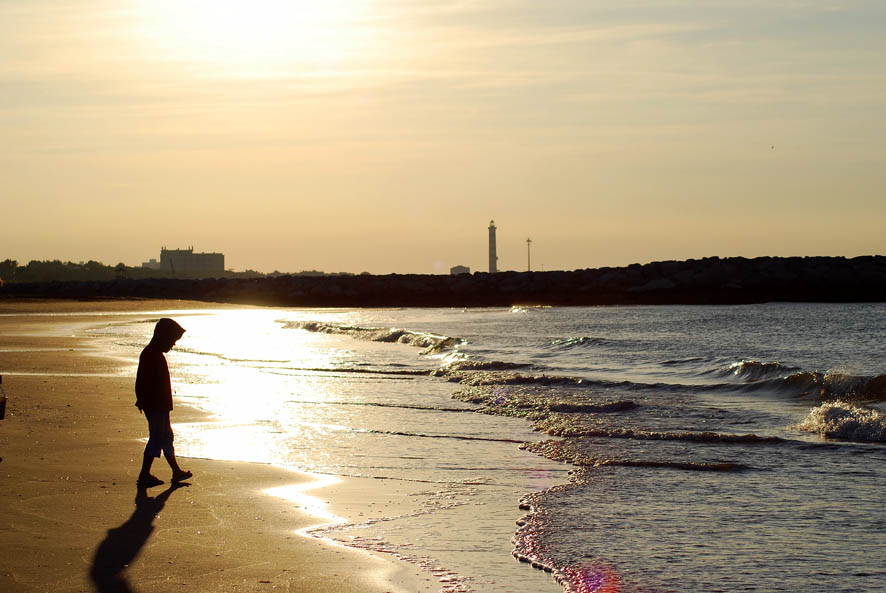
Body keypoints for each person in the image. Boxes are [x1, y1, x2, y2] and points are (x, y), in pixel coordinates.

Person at [135, 318, 192, 487]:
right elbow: (142, 382)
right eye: (172, 341)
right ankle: (144, 473)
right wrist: (143, 400)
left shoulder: (155, 354)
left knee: (166, 436)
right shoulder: (150, 355)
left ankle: (175, 471)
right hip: (154, 405)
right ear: (162, 337)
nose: (173, 345)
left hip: (161, 405)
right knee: (157, 437)